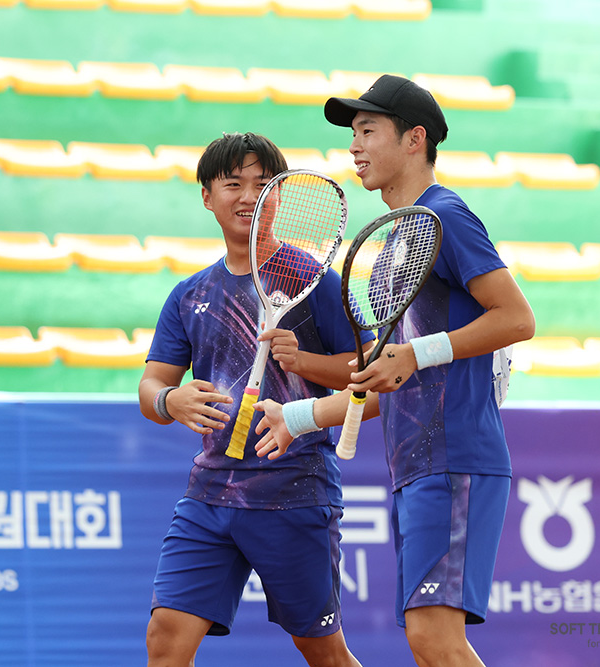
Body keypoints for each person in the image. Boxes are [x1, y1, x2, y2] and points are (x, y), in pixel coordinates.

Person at [253, 75, 536, 667]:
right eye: (353, 134)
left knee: (435, 639)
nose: (354, 146)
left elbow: (516, 318)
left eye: (367, 131)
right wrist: (299, 416)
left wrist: (417, 353)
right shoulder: (398, 242)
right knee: (429, 643)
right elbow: (391, 381)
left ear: (414, 139)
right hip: (416, 464)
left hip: (456, 455)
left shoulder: (446, 217)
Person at [138, 131, 369, 667]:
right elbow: (150, 388)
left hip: (294, 491)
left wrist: (305, 362)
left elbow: (370, 374)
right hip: (209, 493)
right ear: (207, 196)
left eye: (264, 185)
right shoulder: (189, 295)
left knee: (323, 653)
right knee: (165, 638)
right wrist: (171, 400)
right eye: (233, 184)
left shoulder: (315, 281)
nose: (249, 197)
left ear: (280, 196)